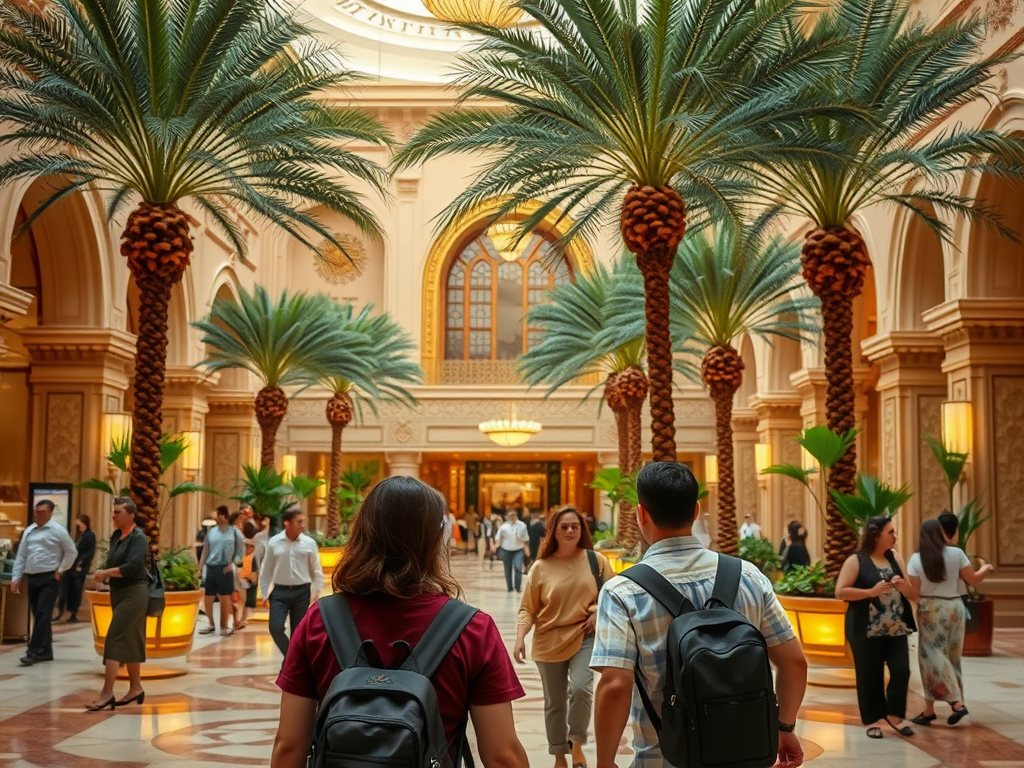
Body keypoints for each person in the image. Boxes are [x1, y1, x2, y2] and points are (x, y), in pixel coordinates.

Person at [270, 476, 530, 768]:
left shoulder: (319, 620)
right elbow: (502, 755)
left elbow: (289, 746)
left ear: (363, 533)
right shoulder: (473, 629)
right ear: (432, 540)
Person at [591, 462, 808, 768]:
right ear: (696, 511)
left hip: (663, 758)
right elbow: (794, 663)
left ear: (641, 514)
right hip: (744, 755)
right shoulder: (748, 576)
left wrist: (604, 762)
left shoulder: (622, 592)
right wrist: (784, 727)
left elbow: (615, 685)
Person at [514, 506, 609, 768]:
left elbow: (611, 598)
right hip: (548, 641)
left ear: (582, 530)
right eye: (564, 527)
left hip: (584, 636)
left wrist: (598, 612)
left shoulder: (596, 561)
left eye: (575, 527)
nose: (570, 531)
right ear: (554, 531)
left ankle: (576, 744)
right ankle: (559, 755)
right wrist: (521, 637)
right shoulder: (540, 567)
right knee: (554, 702)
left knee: (580, 688)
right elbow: (527, 608)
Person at [835, 515, 919, 739]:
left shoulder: (895, 559)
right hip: (865, 630)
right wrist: (869, 592)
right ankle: (871, 720)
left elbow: (913, 595)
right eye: (890, 532)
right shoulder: (856, 560)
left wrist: (904, 588)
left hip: (896, 628)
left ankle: (894, 716)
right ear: (876, 535)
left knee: (902, 670)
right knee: (869, 676)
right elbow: (841, 592)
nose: (895, 536)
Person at [907, 515, 994, 727]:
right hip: (954, 607)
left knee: (930, 655)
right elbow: (973, 579)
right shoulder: (956, 554)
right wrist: (985, 569)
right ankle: (930, 710)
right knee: (952, 655)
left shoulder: (916, 560)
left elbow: (915, 593)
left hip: (930, 608)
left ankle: (956, 702)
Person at [85, 498, 150, 711]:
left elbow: (131, 566)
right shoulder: (116, 536)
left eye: (118, 512)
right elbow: (114, 563)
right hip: (119, 592)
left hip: (135, 592)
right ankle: (136, 688)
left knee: (114, 638)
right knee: (131, 639)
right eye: (113, 512)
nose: (114, 515)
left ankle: (107, 693)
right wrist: (104, 574)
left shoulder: (138, 537)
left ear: (131, 515)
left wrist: (105, 573)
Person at [10, 500, 77, 666]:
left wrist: (60, 570)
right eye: (36, 510)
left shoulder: (58, 531)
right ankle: (45, 651)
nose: (37, 514)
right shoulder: (29, 531)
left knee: (42, 613)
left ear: (50, 513)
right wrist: (15, 577)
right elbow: (21, 556)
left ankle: (32, 651)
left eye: (41, 511)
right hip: (32, 577)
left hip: (49, 578)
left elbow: (71, 552)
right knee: (38, 614)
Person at [260, 506, 323, 658]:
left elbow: (316, 569)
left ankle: (291, 663)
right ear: (286, 523)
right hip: (279, 592)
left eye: (303, 522)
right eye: (299, 522)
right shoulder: (274, 542)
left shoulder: (309, 543)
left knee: (297, 632)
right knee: (275, 627)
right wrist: (263, 594)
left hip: (302, 592)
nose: (303, 525)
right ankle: (291, 658)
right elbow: (266, 569)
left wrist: (317, 591)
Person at [197, 506, 244, 636]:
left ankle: (224, 626)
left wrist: (233, 563)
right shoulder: (211, 532)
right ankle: (211, 623)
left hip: (225, 567)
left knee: (224, 598)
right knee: (208, 597)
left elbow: (241, 550)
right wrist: (200, 568)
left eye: (219, 515)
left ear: (225, 516)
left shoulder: (234, 532)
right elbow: (206, 549)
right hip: (211, 567)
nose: (217, 517)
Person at [57, 513, 96, 623]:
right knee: (69, 589)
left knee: (76, 590)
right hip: (72, 567)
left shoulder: (90, 535)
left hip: (80, 568)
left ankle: (73, 613)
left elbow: (90, 552)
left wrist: (81, 562)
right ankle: (65, 611)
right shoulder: (80, 534)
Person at [495, 509, 530, 593]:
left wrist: (523, 541)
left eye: (514, 515)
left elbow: (526, 538)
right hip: (506, 550)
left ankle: (518, 587)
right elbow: (498, 538)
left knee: (518, 567)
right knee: (507, 569)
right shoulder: (504, 527)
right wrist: (495, 546)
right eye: (510, 515)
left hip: (518, 550)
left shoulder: (522, 525)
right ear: (507, 516)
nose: (512, 517)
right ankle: (509, 587)